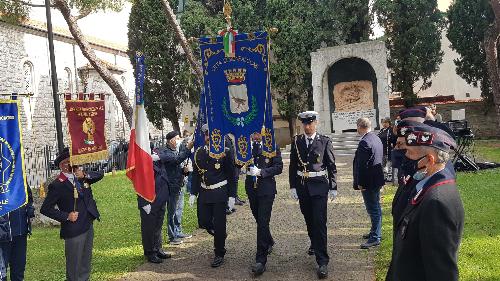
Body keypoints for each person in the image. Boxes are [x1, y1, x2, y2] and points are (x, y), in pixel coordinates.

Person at [387, 124, 464, 281]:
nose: (405, 156)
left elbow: (441, 271)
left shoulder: (436, 202)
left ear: (429, 160)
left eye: (410, 153)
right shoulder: (427, 186)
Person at [40, 147, 103, 281]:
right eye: (69, 161)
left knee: (86, 260)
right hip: (73, 228)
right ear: (62, 165)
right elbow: (45, 208)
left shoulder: (81, 177)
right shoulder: (58, 185)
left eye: (74, 160)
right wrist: (66, 216)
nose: (74, 163)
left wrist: (84, 175)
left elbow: (100, 174)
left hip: (87, 223)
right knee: (74, 264)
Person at [289, 111, 337, 279]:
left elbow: (331, 165)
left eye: (310, 123)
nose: (307, 127)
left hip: (319, 187)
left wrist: (333, 186)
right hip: (303, 187)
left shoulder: (324, 141)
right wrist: (292, 187)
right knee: (309, 219)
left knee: (319, 221)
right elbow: (293, 165)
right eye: (305, 124)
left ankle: (322, 261)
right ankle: (314, 242)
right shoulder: (297, 142)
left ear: (315, 123)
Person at [189, 124, 237, 268]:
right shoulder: (199, 152)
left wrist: (232, 196)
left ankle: (219, 253)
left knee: (219, 224)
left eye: (211, 135)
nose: (208, 138)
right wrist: (193, 192)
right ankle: (219, 234)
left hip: (219, 192)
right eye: (206, 135)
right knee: (204, 221)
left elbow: (231, 174)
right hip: (204, 192)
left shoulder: (225, 152)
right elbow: (197, 175)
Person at [244, 131, 283, 276]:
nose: (255, 135)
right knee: (258, 218)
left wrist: (261, 172)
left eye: (257, 131)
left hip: (266, 189)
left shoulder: (271, 146)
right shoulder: (247, 147)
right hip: (251, 189)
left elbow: (279, 167)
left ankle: (261, 260)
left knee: (262, 221)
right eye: (253, 132)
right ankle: (269, 240)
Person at [353, 118, 385, 249]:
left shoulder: (365, 142)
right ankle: (375, 231)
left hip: (369, 181)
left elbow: (362, 165)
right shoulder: (376, 138)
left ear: (360, 127)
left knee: (373, 209)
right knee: (375, 207)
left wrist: (361, 183)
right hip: (376, 179)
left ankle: (375, 237)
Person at [137, 147, 172, 264]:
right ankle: (150, 252)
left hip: (161, 198)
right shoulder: (140, 160)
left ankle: (158, 248)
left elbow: (171, 156)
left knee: (158, 225)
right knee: (149, 228)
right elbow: (139, 183)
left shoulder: (157, 154)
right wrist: (143, 203)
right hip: (149, 200)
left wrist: (157, 157)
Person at [158, 131, 194, 245]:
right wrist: (188, 148)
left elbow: (177, 165)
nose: (178, 140)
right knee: (172, 211)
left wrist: (184, 171)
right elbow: (177, 160)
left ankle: (178, 231)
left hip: (179, 184)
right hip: (171, 186)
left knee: (179, 209)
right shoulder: (165, 152)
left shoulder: (175, 151)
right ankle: (172, 236)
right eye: (176, 138)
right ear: (171, 140)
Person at [0, 187, 35, 281]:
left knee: (18, 272)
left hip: (20, 232)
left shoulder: (19, 174)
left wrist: (30, 210)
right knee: (1, 274)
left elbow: (28, 197)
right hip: (2, 234)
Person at [378, 117, 396, 182]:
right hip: (382, 150)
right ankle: (384, 176)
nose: (384, 124)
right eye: (383, 122)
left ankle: (390, 177)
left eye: (386, 122)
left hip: (389, 150)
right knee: (383, 164)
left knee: (389, 164)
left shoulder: (391, 130)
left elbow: (394, 139)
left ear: (389, 123)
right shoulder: (381, 130)